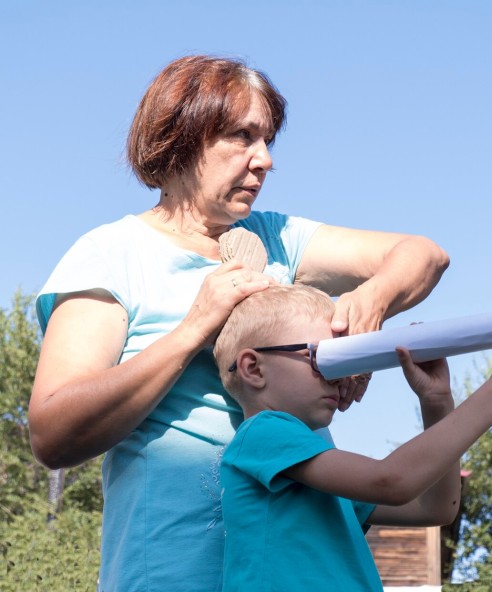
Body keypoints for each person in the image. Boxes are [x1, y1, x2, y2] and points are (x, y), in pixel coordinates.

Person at [28, 55, 450, 592]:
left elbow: (424, 255)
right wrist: (193, 330)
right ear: (179, 137)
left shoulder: (279, 239)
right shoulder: (113, 253)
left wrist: (369, 302)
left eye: (269, 139)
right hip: (172, 573)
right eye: (242, 137)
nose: (265, 160)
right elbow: (53, 433)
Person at [213, 284, 492, 591]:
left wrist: (436, 403)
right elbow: (392, 481)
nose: (338, 378)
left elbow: (437, 508)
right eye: (322, 359)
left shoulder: (314, 466)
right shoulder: (263, 432)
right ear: (253, 369)